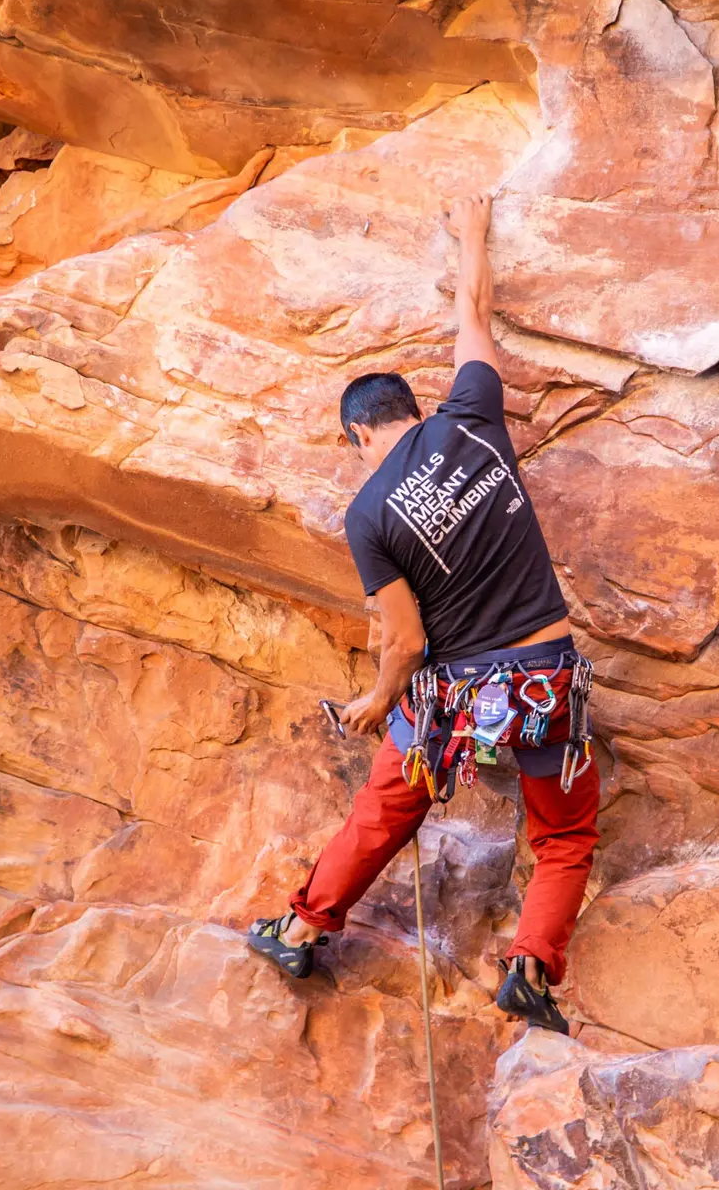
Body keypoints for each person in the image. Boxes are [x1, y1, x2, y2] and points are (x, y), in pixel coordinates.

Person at [246, 193, 601, 1035]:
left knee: (386, 808)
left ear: (356, 436)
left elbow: (404, 638)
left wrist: (376, 700)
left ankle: (300, 930)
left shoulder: (369, 515)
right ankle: (529, 971)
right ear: (412, 408)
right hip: (544, 679)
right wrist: (472, 231)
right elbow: (473, 311)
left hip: (457, 697)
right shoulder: (473, 416)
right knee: (564, 837)